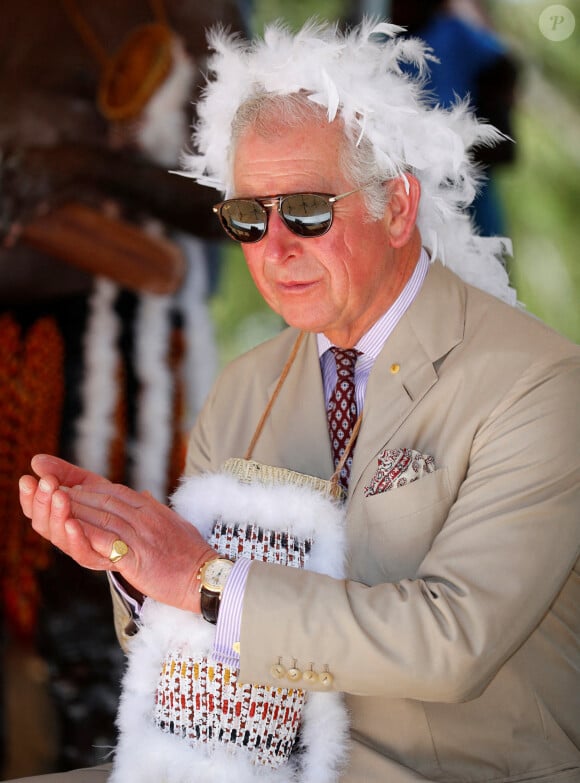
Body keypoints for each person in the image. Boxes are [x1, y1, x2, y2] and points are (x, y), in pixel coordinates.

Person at [13, 18, 580, 783]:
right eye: (248, 218)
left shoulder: (540, 382)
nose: (275, 250)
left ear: (397, 206)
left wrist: (203, 578)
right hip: (249, 761)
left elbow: (453, 643)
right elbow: (210, 638)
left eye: (307, 211)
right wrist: (133, 554)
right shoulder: (245, 385)